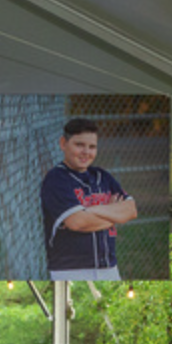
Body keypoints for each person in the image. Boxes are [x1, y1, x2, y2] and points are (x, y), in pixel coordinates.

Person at [41, 117, 137, 281]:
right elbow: (77, 222)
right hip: (70, 270)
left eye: (92, 147)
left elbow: (131, 210)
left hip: (110, 268)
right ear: (63, 143)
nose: (86, 152)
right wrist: (114, 216)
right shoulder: (56, 179)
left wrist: (90, 211)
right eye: (79, 145)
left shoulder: (103, 176)